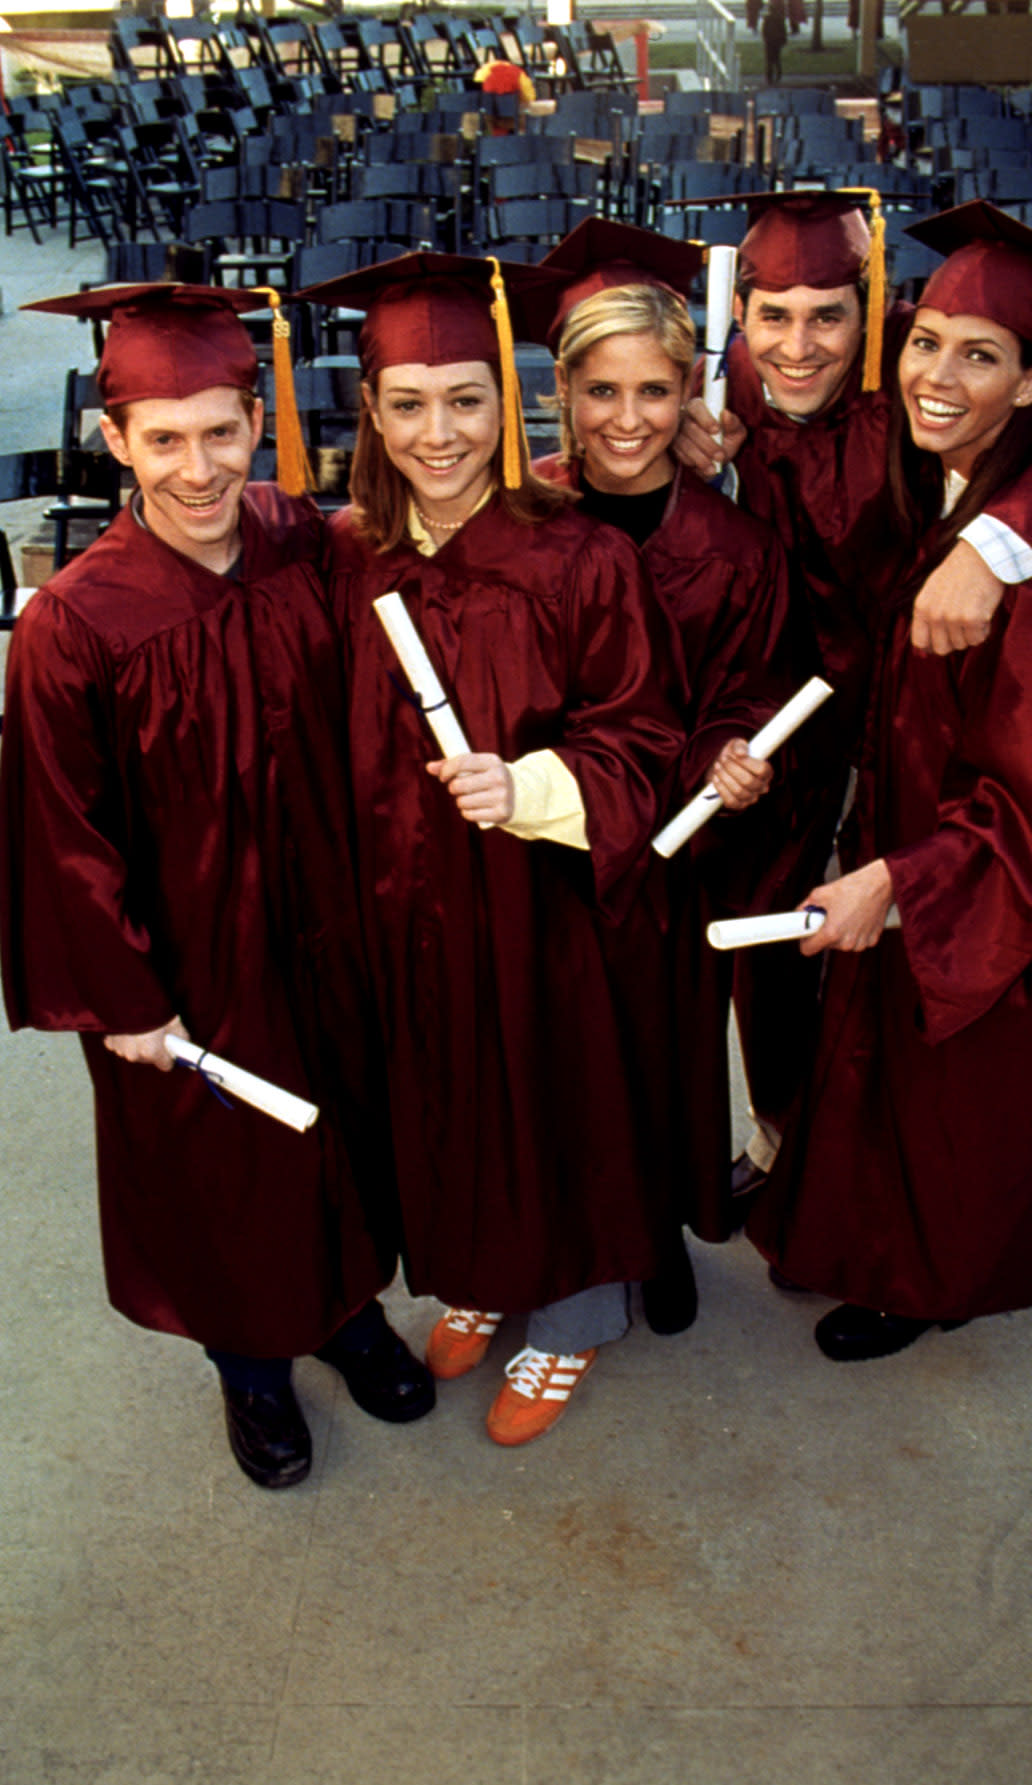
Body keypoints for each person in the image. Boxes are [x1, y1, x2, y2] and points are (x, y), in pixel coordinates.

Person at [0, 284, 434, 1491]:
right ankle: (249, 1371)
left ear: (259, 417)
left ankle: (347, 1318)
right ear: (114, 437)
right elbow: (55, 830)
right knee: (221, 1170)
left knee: (339, 1122)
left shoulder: (303, 542)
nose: (197, 468)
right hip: (186, 961)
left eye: (221, 431)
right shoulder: (75, 627)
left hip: (328, 922)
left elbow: (430, 547)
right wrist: (120, 999)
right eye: (163, 438)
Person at [675, 191, 1032, 1218]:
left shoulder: (920, 362)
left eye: (830, 315)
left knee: (903, 951)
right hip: (793, 718)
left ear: (875, 312)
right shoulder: (731, 381)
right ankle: (784, 1140)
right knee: (772, 950)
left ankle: (888, 1171)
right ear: (743, 316)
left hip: (929, 711)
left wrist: (996, 547)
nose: (799, 346)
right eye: (773, 316)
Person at [298, 251, 685, 1445]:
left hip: (541, 906)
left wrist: (529, 784)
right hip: (404, 900)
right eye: (407, 404)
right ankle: (480, 1269)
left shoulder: (577, 557)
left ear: (507, 404)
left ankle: (572, 1318)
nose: (439, 432)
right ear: (368, 410)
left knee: (551, 1093)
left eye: (466, 399)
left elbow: (647, 737)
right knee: (439, 1089)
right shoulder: (349, 553)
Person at [524, 219, 796, 1325]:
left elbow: (753, 685)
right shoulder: (519, 515)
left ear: (691, 390)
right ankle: (562, 1243)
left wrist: (733, 755)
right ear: (562, 390)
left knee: (655, 1055)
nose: (627, 421)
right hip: (541, 847)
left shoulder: (734, 548)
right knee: (549, 1058)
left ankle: (656, 1238)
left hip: (668, 855)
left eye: (654, 391)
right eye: (602, 392)